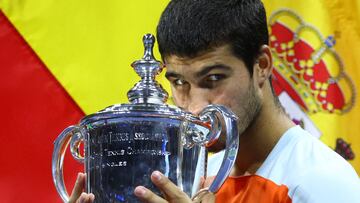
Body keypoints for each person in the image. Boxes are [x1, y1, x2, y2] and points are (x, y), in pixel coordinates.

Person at [69, 0, 360, 202]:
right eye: (179, 82)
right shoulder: (187, 172)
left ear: (262, 65)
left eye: (213, 79)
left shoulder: (321, 182)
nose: (194, 106)